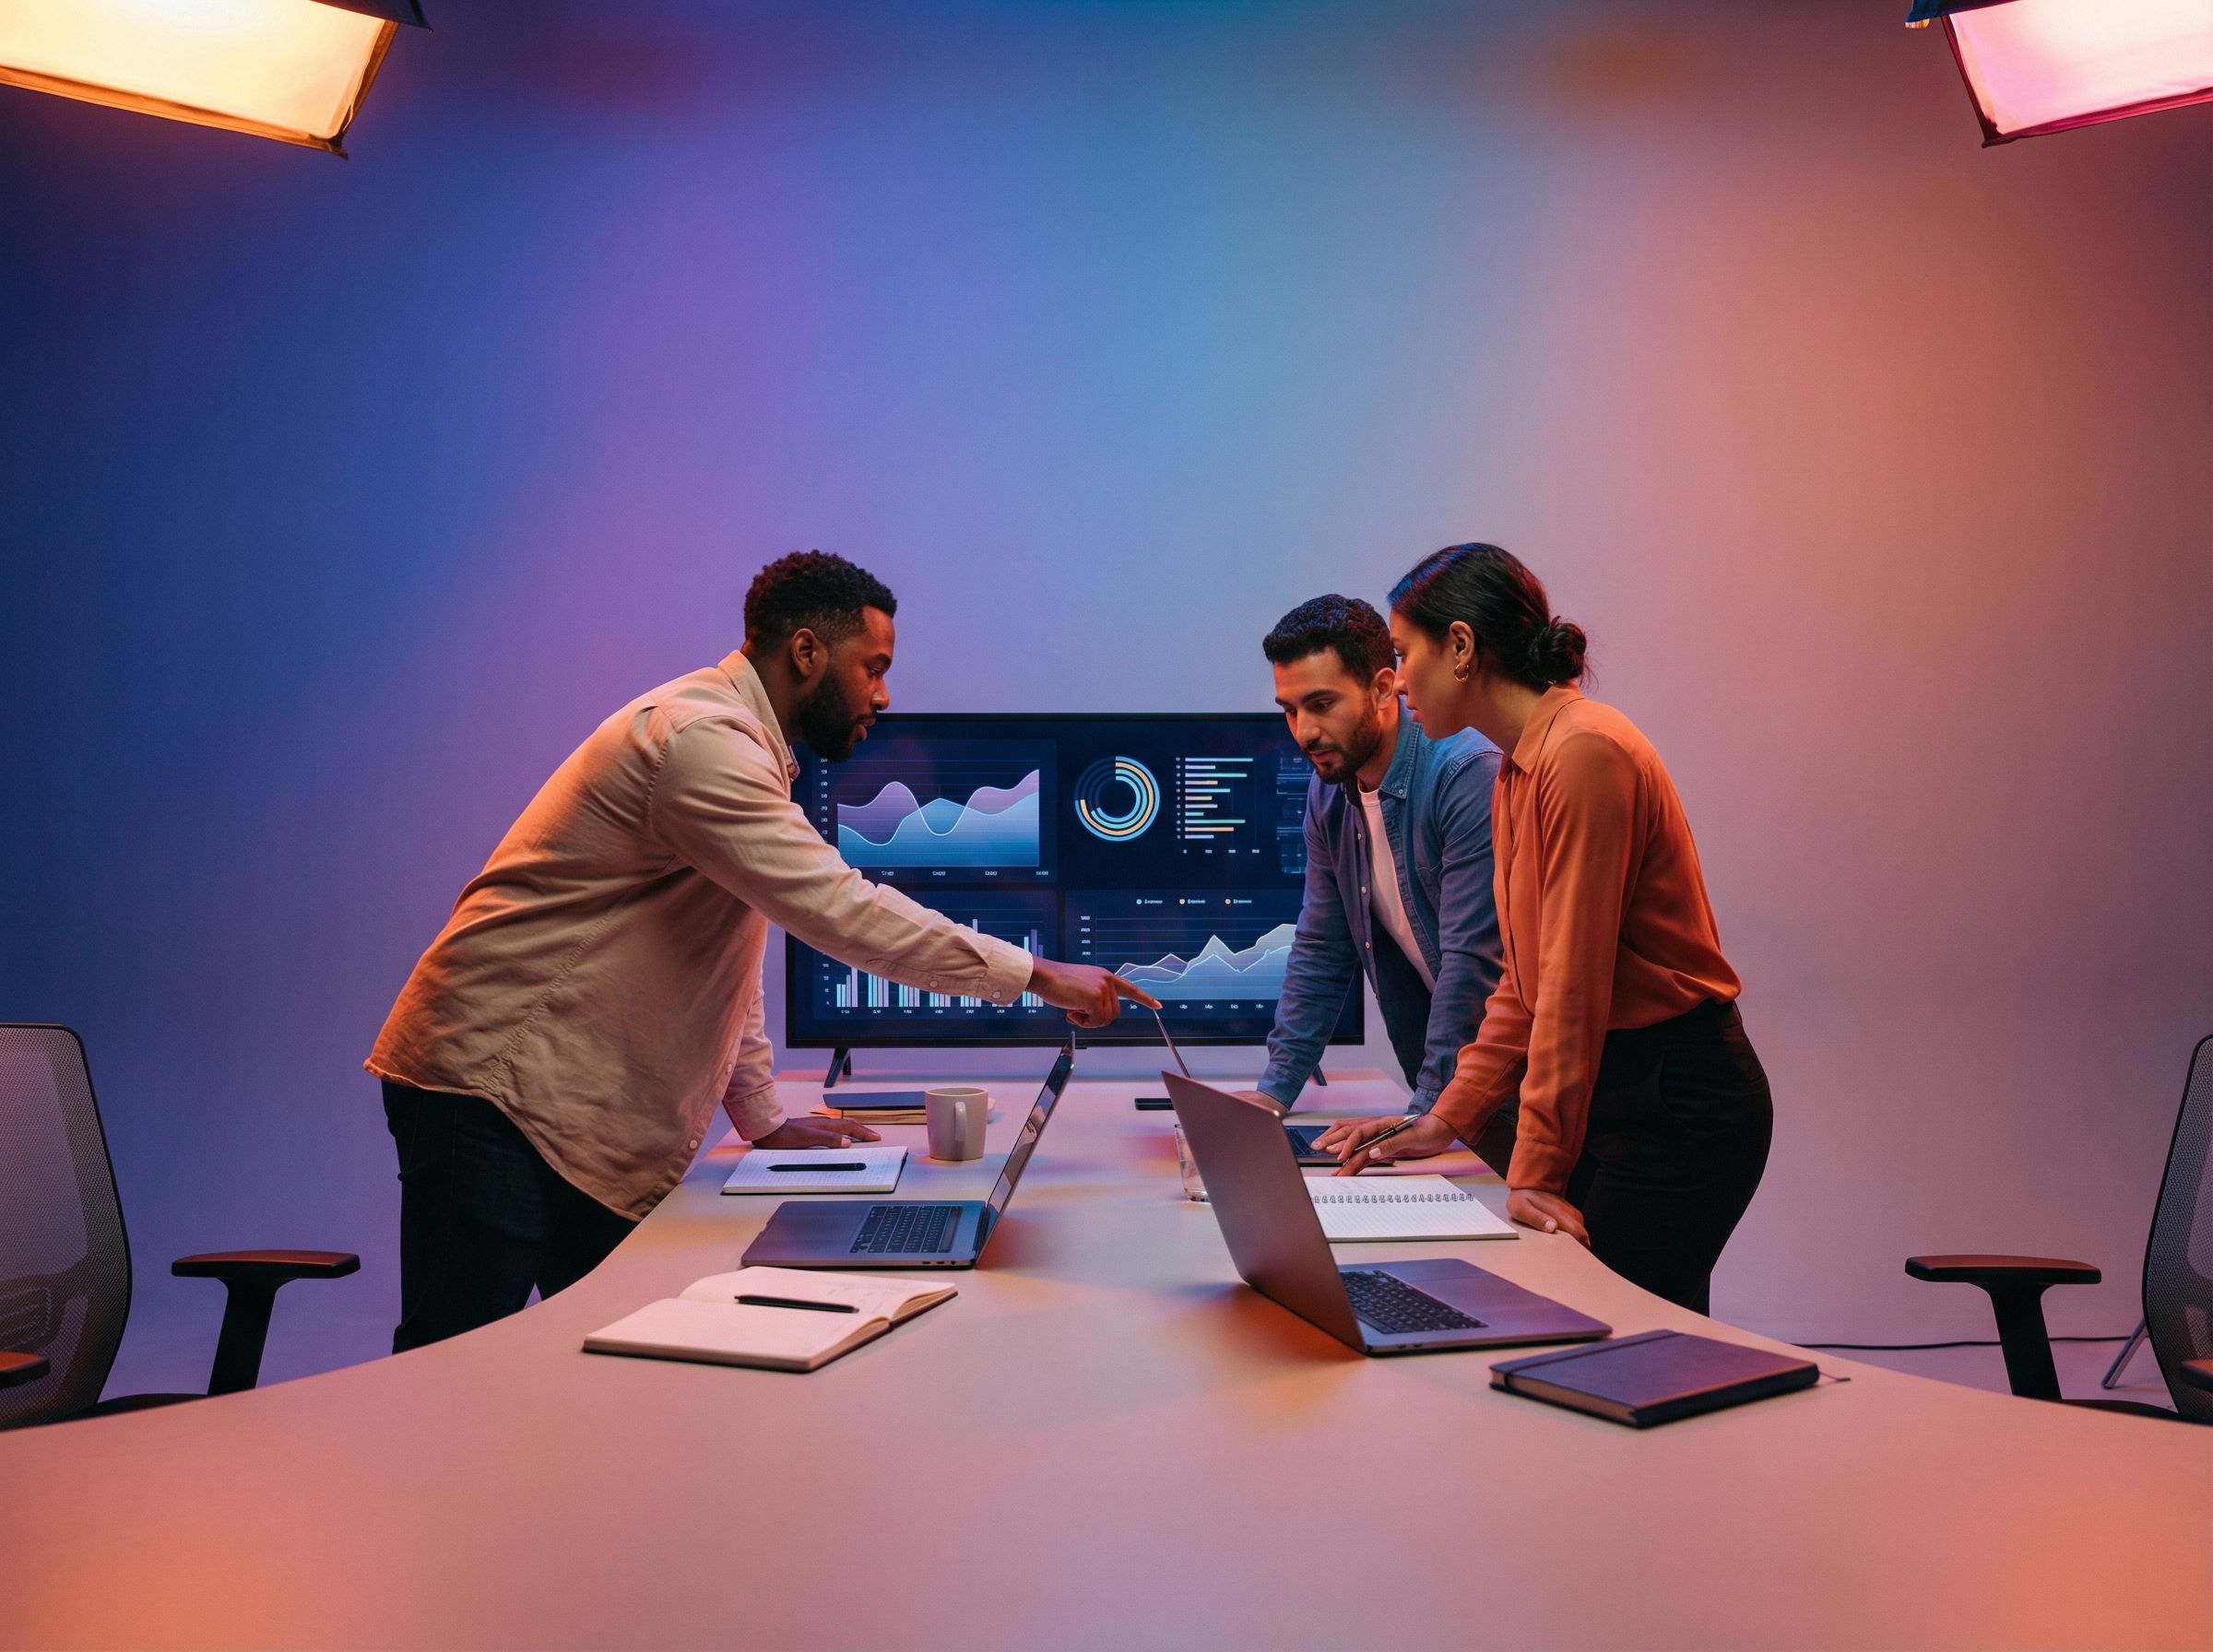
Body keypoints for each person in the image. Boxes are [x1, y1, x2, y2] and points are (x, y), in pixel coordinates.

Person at [368, 550, 1156, 1351]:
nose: (884, 696)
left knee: (616, 1365)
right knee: (452, 1365)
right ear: (808, 652)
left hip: (552, 1107)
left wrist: (763, 1116)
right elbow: (837, 910)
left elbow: (723, 950)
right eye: (873, 668)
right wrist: (1038, 973)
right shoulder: (702, 740)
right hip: (494, 1088)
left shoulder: (743, 748)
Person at [1318, 544, 1772, 1314]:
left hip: (1682, 1101)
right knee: (1643, 1350)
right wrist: (1445, 1120)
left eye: (1403, 653)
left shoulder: (1584, 752)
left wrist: (1533, 1174)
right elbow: (1521, 990)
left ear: (1461, 647)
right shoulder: (1518, 767)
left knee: (1613, 1331)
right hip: (1622, 1093)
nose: (1395, 679)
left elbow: (1571, 990)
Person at [1252, 595, 1512, 1168]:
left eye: (1321, 704)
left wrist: (1424, 1113)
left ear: (1382, 688)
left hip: (1520, 1085)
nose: (1304, 732)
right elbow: (1322, 949)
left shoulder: (1466, 773)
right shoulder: (1328, 794)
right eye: (1290, 710)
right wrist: (1270, 1097)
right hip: (1459, 1100)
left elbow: (1473, 964)